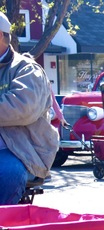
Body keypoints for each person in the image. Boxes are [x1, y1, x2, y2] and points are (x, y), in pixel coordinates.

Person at [0, 12, 59, 205]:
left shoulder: (26, 69)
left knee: (7, 173)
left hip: (19, 152)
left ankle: (5, 221)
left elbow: (23, 107)